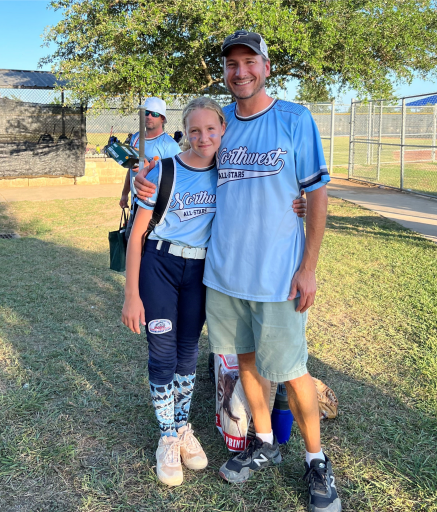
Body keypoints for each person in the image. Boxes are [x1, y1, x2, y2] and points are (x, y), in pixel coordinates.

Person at [135, 29, 338, 512]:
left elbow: (316, 194)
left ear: (266, 67)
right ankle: (264, 442)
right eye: (232, 64)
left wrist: (308, 268)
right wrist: (144, 181)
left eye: (250, 62)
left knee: (291, 371)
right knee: (244, 362)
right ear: (224, 73)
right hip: (223, 277)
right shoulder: (222, 126)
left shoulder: (294, 118)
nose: (241, 71)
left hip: (277, 277)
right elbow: (185, 163)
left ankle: (316, 461)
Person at [123, 97, 307, 487]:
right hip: (160, 264)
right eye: (194, 130)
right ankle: (167, 437)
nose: (203, 137)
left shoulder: (229, 172)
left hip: (202, 269)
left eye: (211, 129)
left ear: (223, 130)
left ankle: (183, 427)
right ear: (183, 134)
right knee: (162, 350)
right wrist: (131, 295)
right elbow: (138, 234)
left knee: (189, 350)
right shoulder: (163, 171)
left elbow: (264, 191)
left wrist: (298, 202)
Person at [118, 97, 181, 209]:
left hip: (155, 208)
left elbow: (178, 178)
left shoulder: (170, 146)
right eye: (146, 113)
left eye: (154, 114)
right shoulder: (136, 138)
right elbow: (130, 169)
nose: (149, 116)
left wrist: (148, 168)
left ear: (162, 118)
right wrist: (124, 194)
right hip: (135, 204)